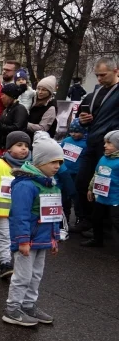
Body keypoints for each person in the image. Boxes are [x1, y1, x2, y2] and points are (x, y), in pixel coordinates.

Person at [2, 132, 63, 326]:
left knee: (36, 275)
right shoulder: (26, 185)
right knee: (22, 276)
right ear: (40, 161)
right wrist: (23, 240)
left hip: (42, 240)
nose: (57, 167)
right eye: (53, 162)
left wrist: (54, 239)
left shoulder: (51, 185)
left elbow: (53, 215)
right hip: (28, 241)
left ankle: (28, 305)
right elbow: (19, 216)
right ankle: (12, 309)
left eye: (60, 162)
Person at [74, 58, 119, 234]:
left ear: (116, 71)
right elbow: (84, 117)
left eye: (103, 75)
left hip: (110, 146)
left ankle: (103, 226)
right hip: (92, 142)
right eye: (97, 75)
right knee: (82, 182)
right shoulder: (95, 93)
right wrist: (83, 121)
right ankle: (87, 219)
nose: (99, 79)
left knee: (105, 186)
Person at [0, 131, 31, 279]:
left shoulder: (31, 166)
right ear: (9, 148)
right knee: (4, 236)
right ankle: (4, 263)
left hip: (22, 211)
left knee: (20, 236)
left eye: (26, 146)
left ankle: (19, 264)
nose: (24, 148)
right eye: (19, 145)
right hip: (1, 210)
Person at [82, 130, 119, 247]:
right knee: (96, 218)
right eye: (105, 142)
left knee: (116, 222)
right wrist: (90, 188)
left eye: (109, 143)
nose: (105, 146)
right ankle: (97, 239)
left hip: (115, 198)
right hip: (101, 195)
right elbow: (96, 173)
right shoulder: (103, 158)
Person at [58, 119, 87, 228]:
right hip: (65, 174)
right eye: (72, 131)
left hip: (78, 175)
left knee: (77, 197)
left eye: (77, 131)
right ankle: (64, 218)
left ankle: (80, 218)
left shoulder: (86, 144)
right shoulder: (66, 140)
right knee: (64, 197)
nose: (73, 134)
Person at [0, 83, 29, 151]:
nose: (1, 97)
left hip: (14, 148)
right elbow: (1, 129)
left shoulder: (20, 109)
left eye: (3, 95)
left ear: (11, 96)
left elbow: (17, 128)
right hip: (3, 146)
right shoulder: (6, 110)